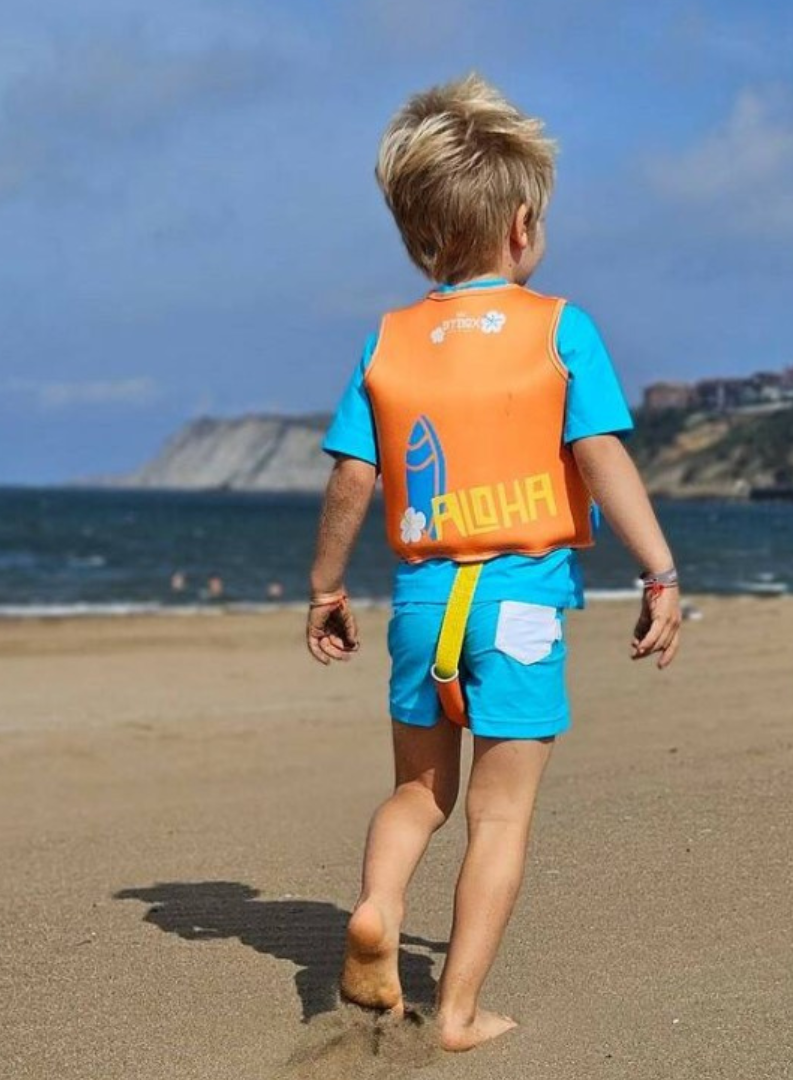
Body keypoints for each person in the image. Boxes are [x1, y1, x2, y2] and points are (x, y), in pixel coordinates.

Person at [305, 74, 681, 1052]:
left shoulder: (389, 338)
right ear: (522, 228)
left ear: (425, 234)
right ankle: (458, 1011)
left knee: (420, 793)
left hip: (424, 604)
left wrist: (325, 586)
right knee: (500, 817)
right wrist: (661, 572)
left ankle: (380, 904)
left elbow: (353, 475)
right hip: (517, 608)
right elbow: (601, 454)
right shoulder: (560, 328)